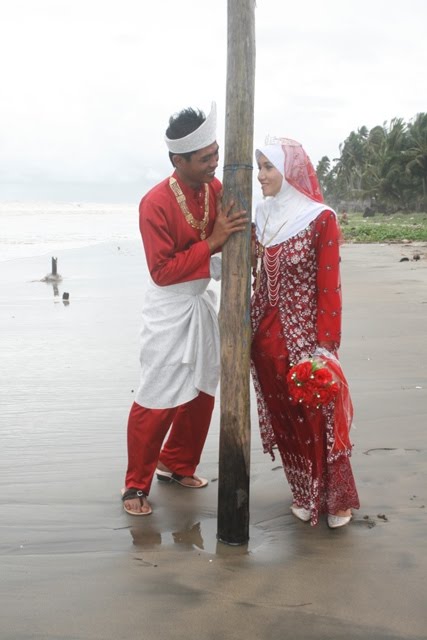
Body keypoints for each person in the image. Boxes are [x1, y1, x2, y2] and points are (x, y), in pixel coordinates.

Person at [122, 102, 248, 516]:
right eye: (205, 158)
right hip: (168, 308)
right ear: (179, 160)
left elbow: (234, 232)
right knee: (156, 395)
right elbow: (161, 272)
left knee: (203, 389)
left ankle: (177, 463)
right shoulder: (154, 203)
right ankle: (135, 484)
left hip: (200, 302)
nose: (215, 163)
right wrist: (212, 243)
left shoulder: (214, 188)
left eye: (216, 153)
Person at [250, 137, 360, 528]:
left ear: (289, 169)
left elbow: (329, 286)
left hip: (305, 338)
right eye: (259, 167)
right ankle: (303, 492)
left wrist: (325, 346)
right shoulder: (261, 215)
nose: (260, 176)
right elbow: (250, 271)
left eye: (268, 167)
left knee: (318, 415)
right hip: (263, 338)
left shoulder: (319, 218)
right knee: (285, 419)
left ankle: (336, 500)